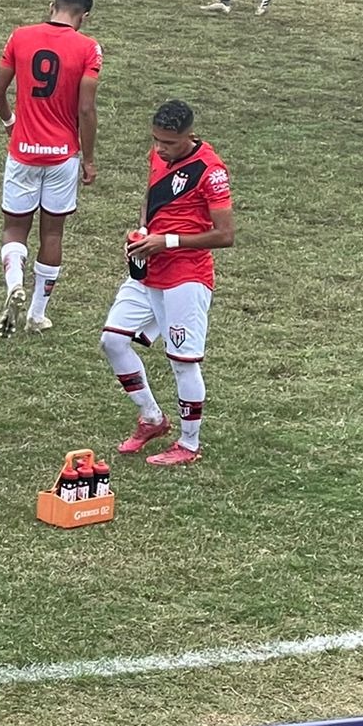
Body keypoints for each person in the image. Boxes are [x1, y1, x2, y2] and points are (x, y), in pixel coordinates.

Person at [102, 99, 234, 467]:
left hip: (186, 276)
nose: (160, 148)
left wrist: (168, 241)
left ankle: (189, 445)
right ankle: (152, 418)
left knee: (182, 362)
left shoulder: (211, 171)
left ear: (189, 136)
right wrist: (144, 230)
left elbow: (225, 235)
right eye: (156, 139)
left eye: (169, 143)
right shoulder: (158, 155)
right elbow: (152, 196)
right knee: (112, 341)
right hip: (149, 267)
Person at [0, 0, 101, 338]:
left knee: (14, 229)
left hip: (23, 150)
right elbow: (86, 108)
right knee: (53, 232)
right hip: (62, 155)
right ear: (84, 16)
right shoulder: (88, 48)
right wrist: (89, 158)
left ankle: (14, 284)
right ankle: (37, 314)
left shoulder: (20, 36)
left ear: (52, 6)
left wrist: (10, 123)